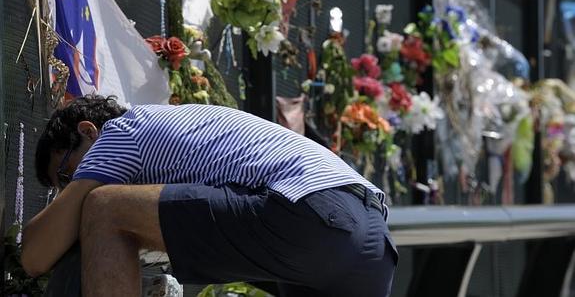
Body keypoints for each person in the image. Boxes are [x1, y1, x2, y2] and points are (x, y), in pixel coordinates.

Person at [22, 95, 398, 297]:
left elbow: (35, 257)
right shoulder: (176, 134)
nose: (71, 189)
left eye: (67, 176)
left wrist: (77, 197)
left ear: (87, 131)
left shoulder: (120, 132)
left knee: (103, 208)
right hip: (372, 243)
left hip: (308, 208)